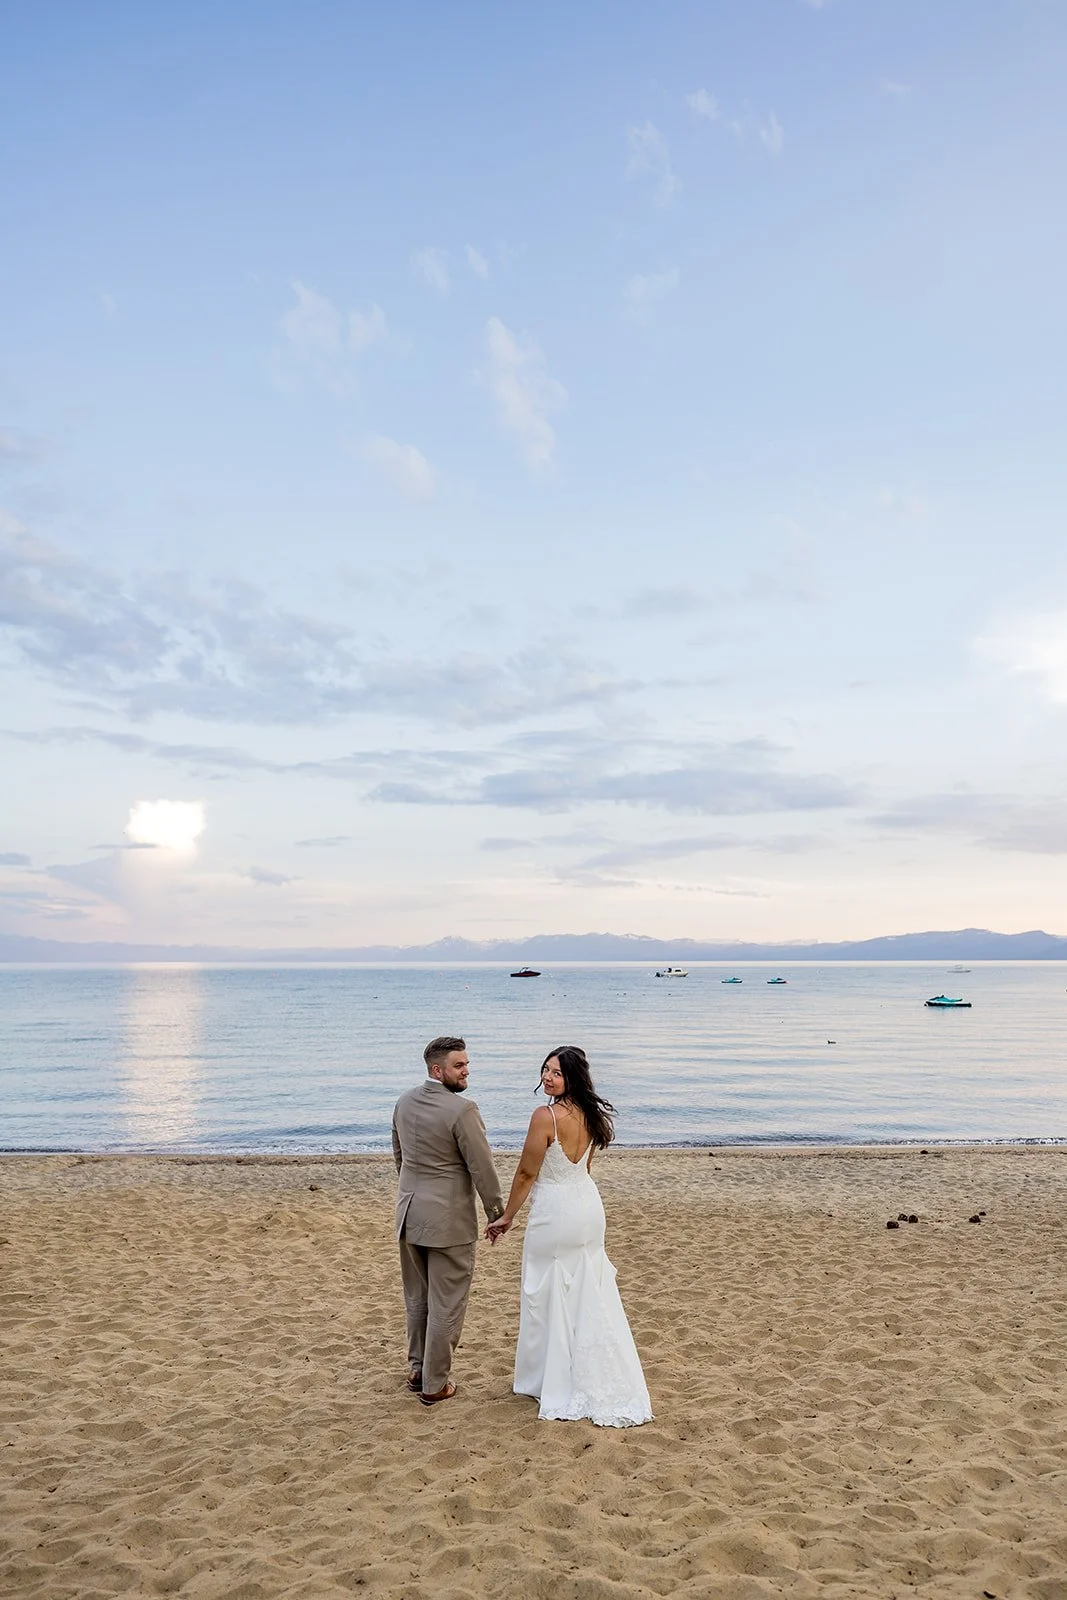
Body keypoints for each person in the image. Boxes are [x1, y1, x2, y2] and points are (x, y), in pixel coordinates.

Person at [486, 1045, 652, 1427]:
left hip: (556, 1212)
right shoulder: (592, 1116)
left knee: (547, 1290)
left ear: (571, 1077)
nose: (547, 1077)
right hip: (588, 1206)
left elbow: (527, 1173)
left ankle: (549, 1379)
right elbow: (586, 1166)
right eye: (545, 1069)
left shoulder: (545, 1116)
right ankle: (582, 1368)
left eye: (556, 1072)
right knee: (584, 1289)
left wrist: (507, 1217)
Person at [392, 1036, 505, 1406]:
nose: (467, 1070)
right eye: (460, 1065)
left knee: (417, 1298)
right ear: (437, 1070)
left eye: (467, 1064)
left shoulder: (404, 1102)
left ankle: (416, 1369)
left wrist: (413, 1196)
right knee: (447, 1303)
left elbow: (400, 1157)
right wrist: (496, 1212)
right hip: (449, 1223)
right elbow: (482, 1167)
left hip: (409, 1215)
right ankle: (434, 1384)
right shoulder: (462, 1110)